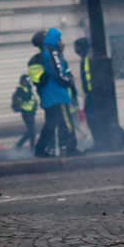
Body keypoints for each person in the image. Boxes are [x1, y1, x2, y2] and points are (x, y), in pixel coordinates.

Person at [35, 28, 80, 157]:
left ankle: (40, 149)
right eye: (59, 39)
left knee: (51, 123)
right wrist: (68, 81)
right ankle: (70, 148)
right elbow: (57, 71)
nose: (61, 42)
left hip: (51, 95)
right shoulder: (52, 51)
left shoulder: (46, 51)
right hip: (58, 94)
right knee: (66, 122)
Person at [12, 74, 38, 152]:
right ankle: (21, 146)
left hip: (31, 112)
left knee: (32, 131)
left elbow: (33, 100)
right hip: (25, 112)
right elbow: (26, 97)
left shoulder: (28, 88)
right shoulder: (20, 89)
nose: (27, 83)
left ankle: (26, 147)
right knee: (32, 131)